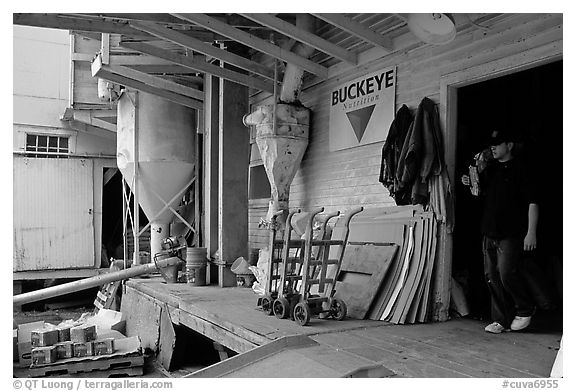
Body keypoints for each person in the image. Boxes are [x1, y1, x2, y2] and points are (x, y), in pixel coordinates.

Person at [462, 129, 538, 334]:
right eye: (491, 145)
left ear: (510, 145)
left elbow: (532, 202)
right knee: (491, 277)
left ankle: (525, 308)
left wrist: (531, 232)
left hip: (511, 233)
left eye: (498, 144)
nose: (493, 147)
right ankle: (501, 320)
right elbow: (480, 194)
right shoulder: (491, 170)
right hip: (489, 232)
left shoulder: (521, 169)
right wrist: (471, 182)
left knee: (506, 274)